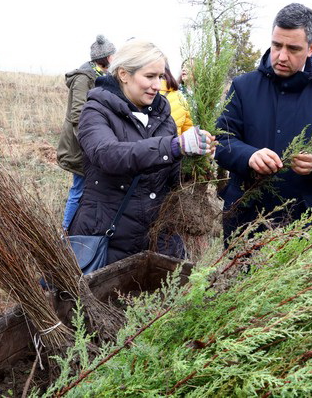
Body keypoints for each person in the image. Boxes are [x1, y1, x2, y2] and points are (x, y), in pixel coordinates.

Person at [215, 3, 312, 242]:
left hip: (310, 224)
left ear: (311, 47)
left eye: (293, 48)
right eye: (276, 45)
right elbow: (222, 140)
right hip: (247, 221)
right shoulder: (243, 87)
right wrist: (249, 156)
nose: (282, 56)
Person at [68, 39, 215, 265]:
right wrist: (175, 146)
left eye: (160, 76)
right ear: (124, 74)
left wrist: (194, 161)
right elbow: (108, 156)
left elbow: (170, 178)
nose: (157, 85)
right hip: (109, 238)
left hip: (158, 240)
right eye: (149, 76)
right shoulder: (96, 111)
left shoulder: (162, 115)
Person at [57, 35, 116, 231]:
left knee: (89, 188)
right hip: (80, 144)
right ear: (106, 57)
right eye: (113, 54)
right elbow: (77, 114)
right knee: (79, 188)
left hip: (93, 141)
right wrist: (89, 142)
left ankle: (79, 229)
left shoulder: (103, 76)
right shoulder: (84, 77)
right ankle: (65, 232)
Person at [160, 62, 193, 136]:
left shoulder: (204, 96)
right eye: (183, 67)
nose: (184, 69)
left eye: (188, 66)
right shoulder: (179, 95)